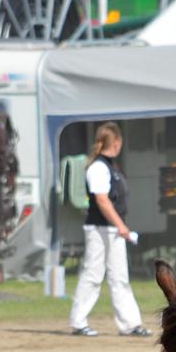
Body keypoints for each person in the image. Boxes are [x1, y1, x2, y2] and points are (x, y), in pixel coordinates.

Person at [68, 121, 150, 338]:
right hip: (99, 229)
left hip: (112, 231)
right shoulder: (98, 167)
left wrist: (119, 227)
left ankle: (130, 324)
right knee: (93, 274)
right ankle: (78, 321)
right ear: (116, 142)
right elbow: (102, 201)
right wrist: (121, 225)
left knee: (120, 277)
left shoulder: (111, 167)